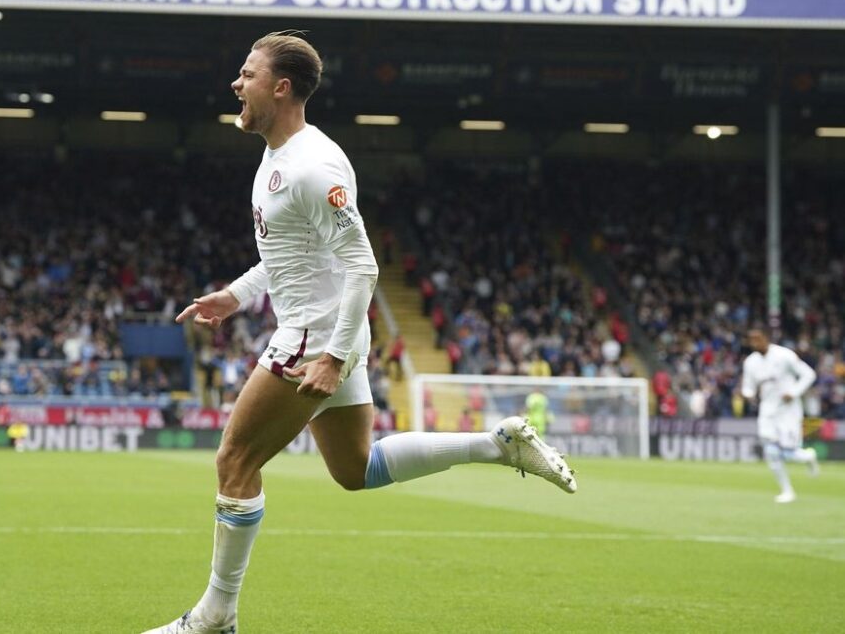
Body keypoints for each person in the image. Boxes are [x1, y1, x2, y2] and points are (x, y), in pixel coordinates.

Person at [142, 32, 576, 634]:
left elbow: (363, 265)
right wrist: (236, 296)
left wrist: (333, 356)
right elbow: (291, 255)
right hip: (321, 333)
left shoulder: (312, 167)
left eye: (246, 74)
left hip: (314, 338)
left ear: (280, 86)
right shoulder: (279, 157)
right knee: (355, 471)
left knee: (235, 460)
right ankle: (496, 444)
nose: (235, 85)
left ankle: (215, 616)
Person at [740, 326, 819, 503]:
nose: (755, 343)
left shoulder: (784, 355)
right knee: (771, 451)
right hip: (767, 410)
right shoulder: (750, 362)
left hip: (788, 410)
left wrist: (794, 392)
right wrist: (747, 394)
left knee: (788, 451)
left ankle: (808, 456)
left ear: (766, 338)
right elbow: (748, 386)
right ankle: (787, 491)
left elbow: (808, 374)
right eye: (751, 340)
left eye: (758, 338)